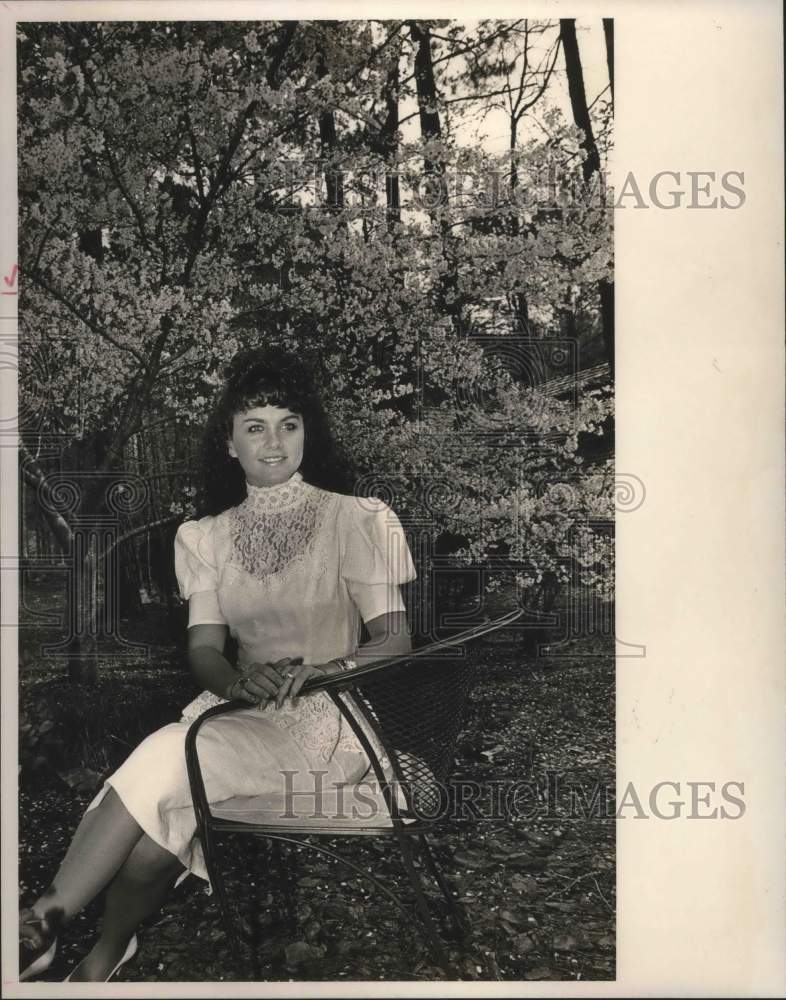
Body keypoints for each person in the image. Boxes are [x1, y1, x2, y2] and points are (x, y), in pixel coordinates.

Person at [19, 345, 416, 982]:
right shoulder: (203, 536)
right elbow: (203, 650)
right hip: (237, 718)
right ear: (229, 444)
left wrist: (321, 673)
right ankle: (100, 956)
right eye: (254, 427)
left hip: (328, 729)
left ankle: (42, 921)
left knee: (167, 757)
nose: (274, 442)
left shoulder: (357, 520)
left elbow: (394, 640)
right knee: (151, 842)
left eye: (289, 424)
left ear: (307, 432)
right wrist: (236, 681)